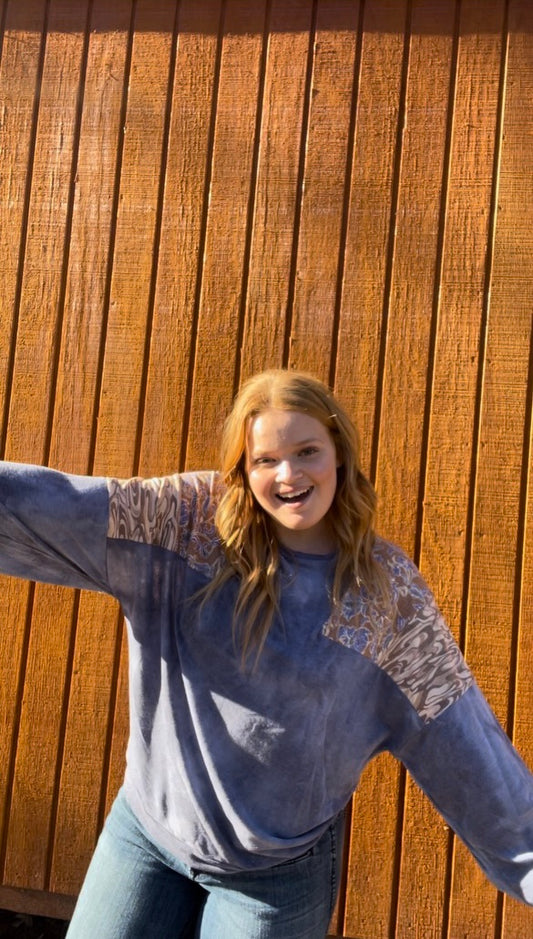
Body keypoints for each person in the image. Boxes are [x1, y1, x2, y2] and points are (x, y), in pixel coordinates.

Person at [0, 368, 532, 938]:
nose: (289, 475)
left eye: (306, 451)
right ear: (243, 469)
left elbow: (472, 753)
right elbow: (45, 504)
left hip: (274, 876)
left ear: (339, 454)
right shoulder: (183, 526)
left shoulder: (387, 600)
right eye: (266, 460)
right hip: (149, 834)